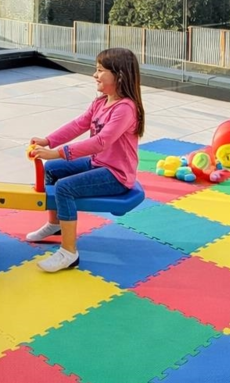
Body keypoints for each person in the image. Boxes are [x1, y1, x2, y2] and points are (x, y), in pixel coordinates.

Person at [28, 47, 145, 272]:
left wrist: (58, 151)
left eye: (100, 70)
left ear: (119, 75)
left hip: (116, 174)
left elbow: (101, 142)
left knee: (64, 187)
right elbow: (78, 125)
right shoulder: (100, 103)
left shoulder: (125, 109)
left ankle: (69, 252)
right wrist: (48, 140)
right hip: (97, 163)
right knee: (52, 169)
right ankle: (55, 224)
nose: (94, 75)